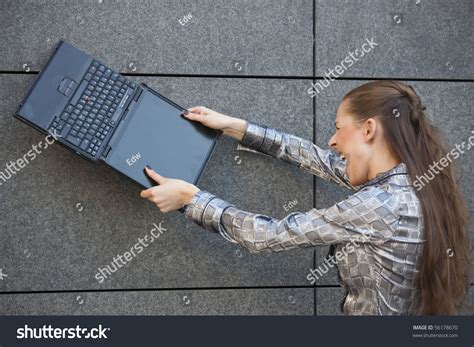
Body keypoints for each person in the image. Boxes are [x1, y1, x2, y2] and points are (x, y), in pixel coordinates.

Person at [139, 80, 471, 315]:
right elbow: (313, 157)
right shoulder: (410, 183)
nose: (332, 141)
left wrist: (191, 199)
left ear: (368, 129)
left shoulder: (377, 207)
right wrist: (234, 126)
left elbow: (268, 236)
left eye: (339, 128)